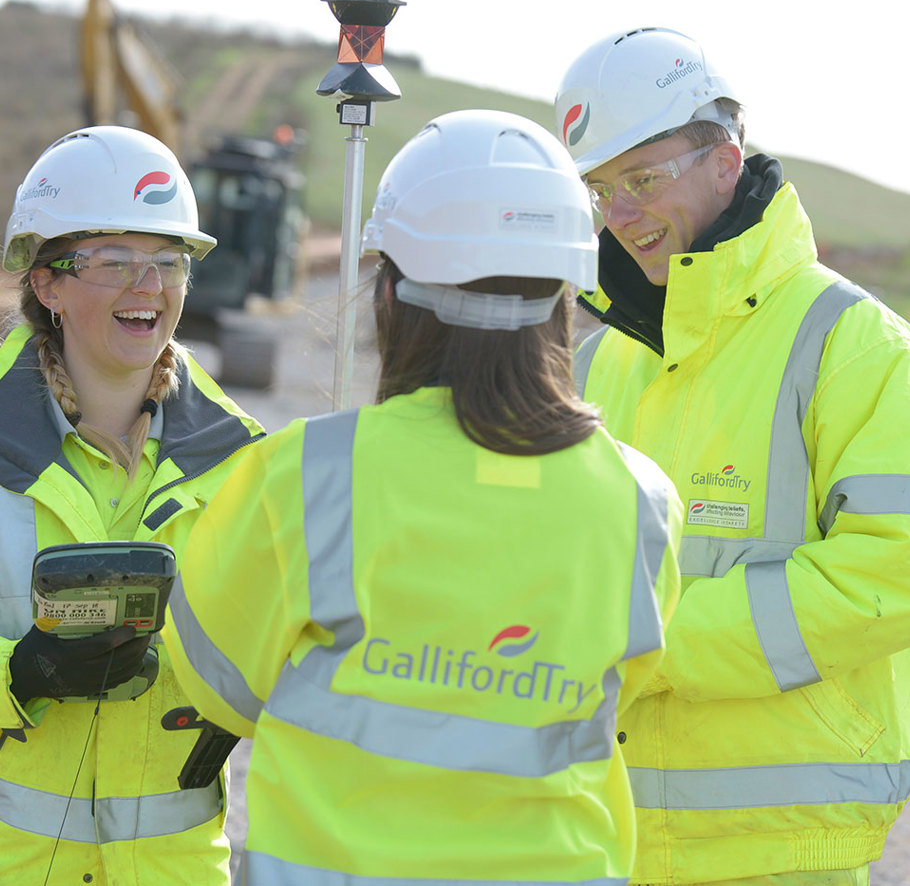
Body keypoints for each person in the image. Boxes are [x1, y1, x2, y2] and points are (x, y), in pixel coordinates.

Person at [162, 108, 683, 884]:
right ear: (568, 298)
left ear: (393, 292)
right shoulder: (642, 499)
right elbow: (618, 689)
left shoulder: (306, 475)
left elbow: (214, 680)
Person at [555, 26, 910, 886]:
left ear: (726, 156)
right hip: (607, 845)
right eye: (601, 190)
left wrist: (650, 639)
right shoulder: (602, 361)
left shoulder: (855, 345)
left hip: (786, 850)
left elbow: (889, 574)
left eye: (642, 178)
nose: (622, 214)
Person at [0, 125, 266, 885]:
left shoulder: (247, 460)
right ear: (46, 282)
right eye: (114, 261)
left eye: (167, 262)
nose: (147, 287)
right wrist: (21, 676)